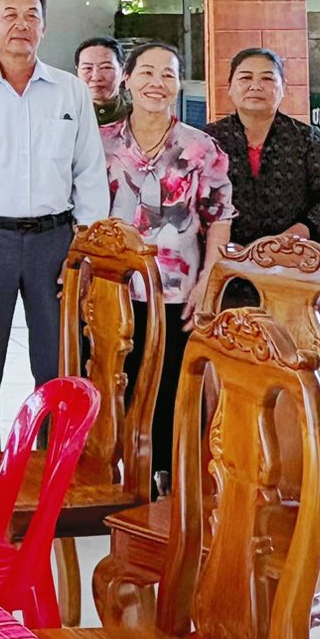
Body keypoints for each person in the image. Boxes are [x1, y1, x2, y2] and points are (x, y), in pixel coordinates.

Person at [0, 0, 110, 452]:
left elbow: (89, 174)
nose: (21, 24)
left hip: (54, 244)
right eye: (10, 15)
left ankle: (51, 466)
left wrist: (84, 251)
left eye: (31, 15)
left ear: (44, 27)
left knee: (55, 365)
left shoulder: (70, 93)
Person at [100, 41, 234, 487]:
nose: (156, 83)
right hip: (113, 288)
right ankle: (113, 478)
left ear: (179, 84)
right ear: (127, 79)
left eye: (168, 74)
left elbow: (219, 218)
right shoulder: (100, 144)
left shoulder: (201, 147)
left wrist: (209, 280)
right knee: (115, 382)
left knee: (173, 386)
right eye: (146, 72)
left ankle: (169, 478)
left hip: (178, 289)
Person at [205, 47, 320, 248]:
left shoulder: (308, 139)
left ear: (283, 87)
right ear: (230, 87)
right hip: (222, 256)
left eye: (267, 78)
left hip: (294, 257)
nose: (255, 86)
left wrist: (287, 241)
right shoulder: (208, 140)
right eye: (245, 78)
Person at [75, 36, 131, 126]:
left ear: (124, 72)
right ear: (77, 72)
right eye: (87, 68)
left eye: (106, 67)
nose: (96, 77)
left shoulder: (139, 115)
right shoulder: (63, 113)